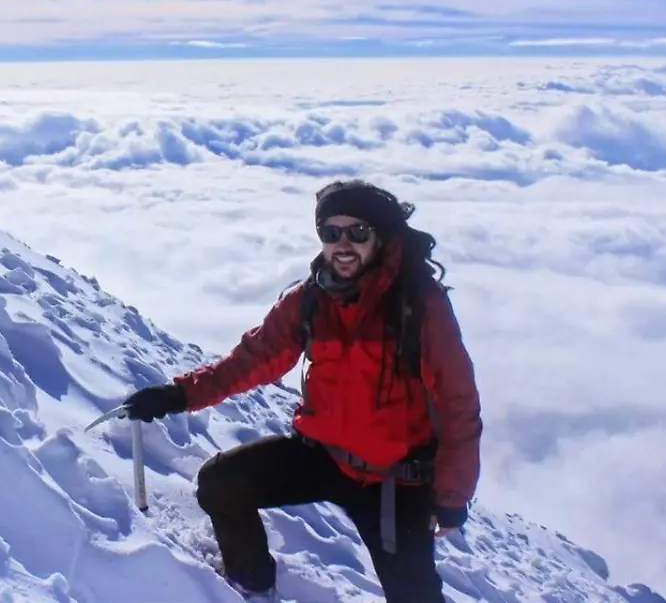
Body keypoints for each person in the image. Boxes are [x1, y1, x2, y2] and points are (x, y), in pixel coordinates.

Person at [120, 179, 483, 602]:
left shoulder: (420, 305)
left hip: (394, 481)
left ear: (380, 236)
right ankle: (252, 587)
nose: (342, 244)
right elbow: (254, 357)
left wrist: (452, 495)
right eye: (331, 233)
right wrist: (179, 394)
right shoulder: (311, 299)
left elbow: (459, 404)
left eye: (357, 232)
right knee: (222, 483)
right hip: (322, 455)